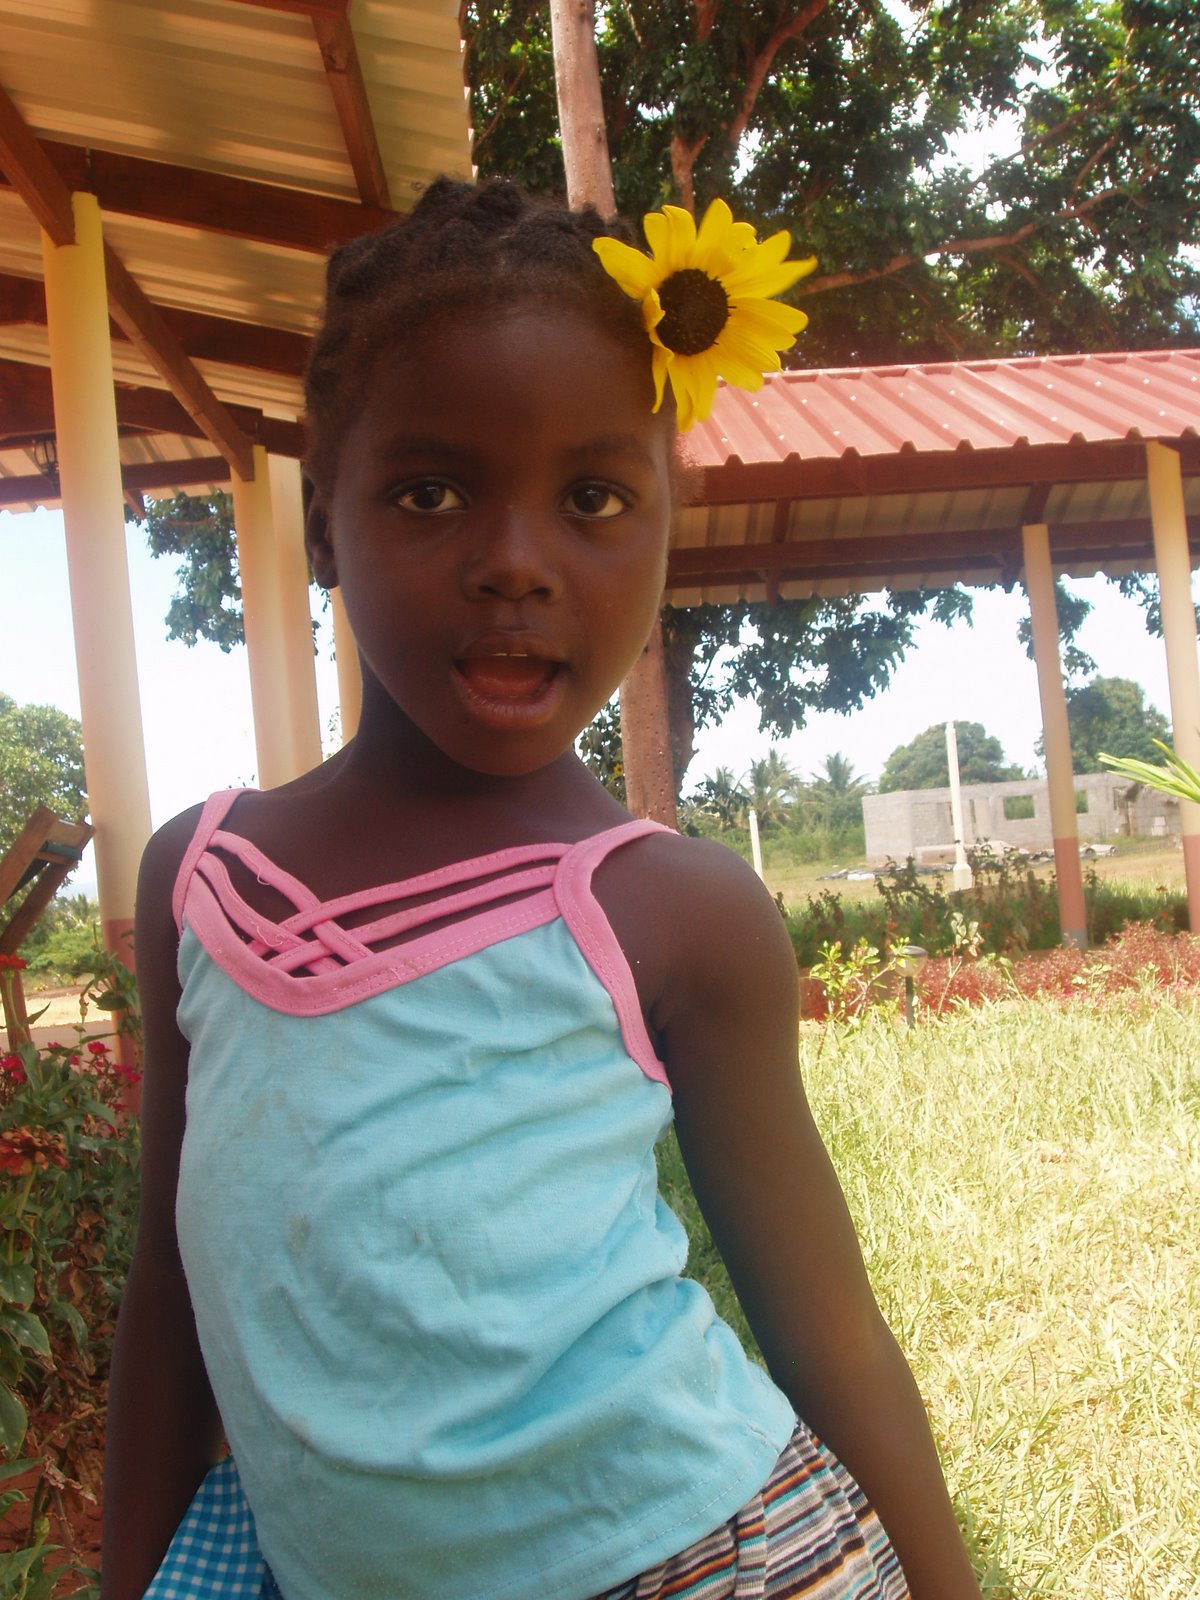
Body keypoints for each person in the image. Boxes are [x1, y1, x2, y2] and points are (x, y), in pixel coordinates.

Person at [102, 177, 981, 1600]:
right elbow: (171, 1285)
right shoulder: (198, 882)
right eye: (431, 492)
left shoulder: (673, 910)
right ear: (324, 523)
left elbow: (828, 1335)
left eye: (593, 499)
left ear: (667, 523)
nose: (516, 563)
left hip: (716, 1562)